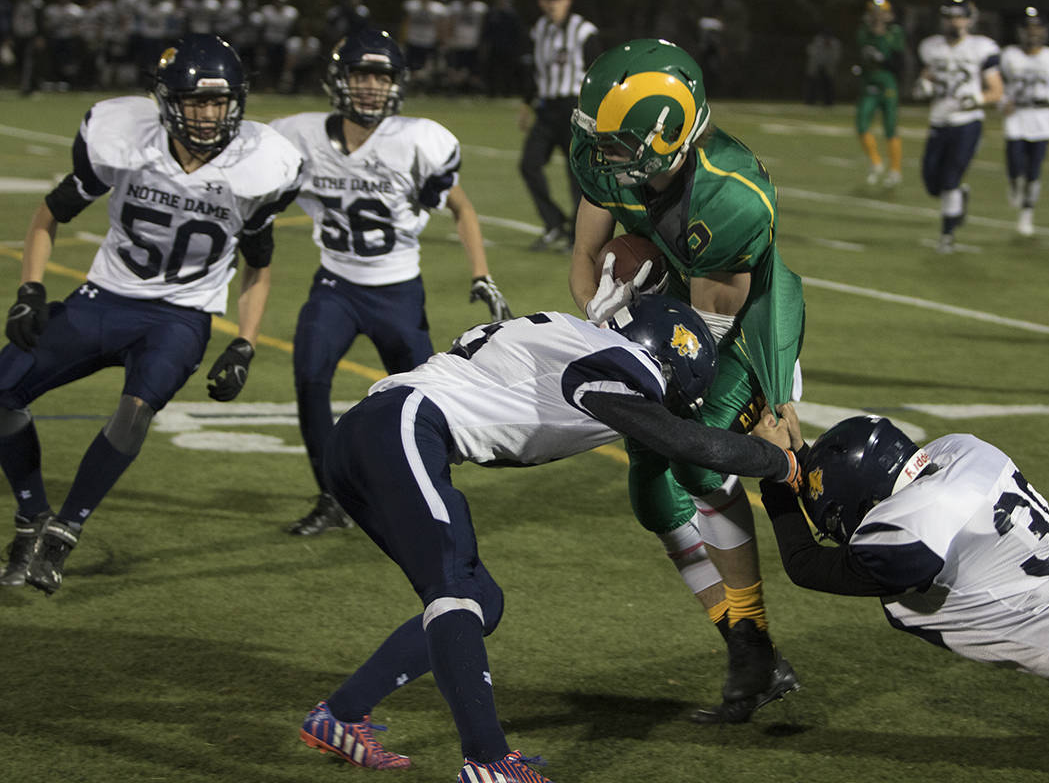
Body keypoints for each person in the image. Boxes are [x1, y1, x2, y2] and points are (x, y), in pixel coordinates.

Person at [297, 294, 804, 779]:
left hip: (372, 436)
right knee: (453, 587)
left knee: (479, 599)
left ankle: (340, 716)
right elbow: (682, 440)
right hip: (403, 426)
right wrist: (778, 462)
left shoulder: (582, 338)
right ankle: (489, 761)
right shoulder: (624, 363)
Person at [0, 34, 302, 593]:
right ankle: (31, 516)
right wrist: (31, 289)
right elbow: (48, 214)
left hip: (181, 315)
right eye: (195, 103)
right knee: (3, 391)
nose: (209, 116)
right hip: (105, 298)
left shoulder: (264, 165)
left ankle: (64, 532)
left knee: (134, 409)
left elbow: (259, 264)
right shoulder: (123, 138)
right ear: (166, 103)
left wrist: (245, 343)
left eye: (219, 103)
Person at [568, 38, 807, 723]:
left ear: (669, 136)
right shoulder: (608, 155)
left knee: (698, 460)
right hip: (659, 312)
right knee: (649, 493)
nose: (603, 156)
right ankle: (747, 646)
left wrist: (770, 396)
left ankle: (753, 642)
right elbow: (586, 253)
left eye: (619, 145)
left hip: (743, 328)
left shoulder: (730, 198)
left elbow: (708, 331)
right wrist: (600, 318)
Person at [756, 410, 1049, 759]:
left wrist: (775, 474)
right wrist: (802, 460)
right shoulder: (961, 451)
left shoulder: (903, 538)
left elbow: (804, 564)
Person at [270, 29, 512, 538]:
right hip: (335, 283)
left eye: (382, 76)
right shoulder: (299, 135)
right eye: (362, 74)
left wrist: (481, 273)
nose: (372, 86)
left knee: (423, 400)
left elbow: (461, 208)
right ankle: (332, 498)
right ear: (339, 80)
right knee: (310, 378)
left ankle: (427, 498)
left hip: (398, 291)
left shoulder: (416, 140)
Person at [914, 0, 1003, 254]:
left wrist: (978, 98)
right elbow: (927, 75)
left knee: (950, 178)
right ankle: (959, 195)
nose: (954, 22)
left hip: (967, 122)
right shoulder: (932, 47)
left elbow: (996, 90)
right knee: (932, 183)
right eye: (949, 17)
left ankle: (947, 235)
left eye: (959, 17)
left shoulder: (981, 47)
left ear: (969, 19)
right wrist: (924, 85)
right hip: (939, 120)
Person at [520, 0, 599, 253]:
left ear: (568, 1)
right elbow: (536, 74)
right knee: (528, 164)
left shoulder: (583, 31)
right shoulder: (538, 30)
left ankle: (579, 238)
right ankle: (554, 223)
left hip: (575, 109)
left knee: (575, 175)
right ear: (541, 2)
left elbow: (597, 73)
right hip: (546, 109)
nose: (553, 3)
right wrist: (526, 105)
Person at [999, 7, 1049, 237]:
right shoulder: (1009, 55)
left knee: (1034, 170)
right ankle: (1014, 183)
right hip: (1016, 117)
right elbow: (997, 85)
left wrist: (1048, 98)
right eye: (1029, 28)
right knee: (1014, 164)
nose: (1033, 33)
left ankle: (1027, 214)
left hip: (1041, 118)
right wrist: (1003, 103)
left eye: (1037, 28)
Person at [854, 0, 906, 187]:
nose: (876, 16)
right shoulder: (863, 33)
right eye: (873, 12)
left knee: (890, 127)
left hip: (887, 84)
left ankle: (895, 170)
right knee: (861, 124)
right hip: (869, 83)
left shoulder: (895, 33)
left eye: (880, 12)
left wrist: (881, 59)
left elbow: (898, 63)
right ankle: (876, 162)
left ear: (888, 14)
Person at [803, 28, 840, 107]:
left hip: (829, 67)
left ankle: (829, 102)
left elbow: (836, 57)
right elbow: (813, 54)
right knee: (812, 84)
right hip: (816, 66)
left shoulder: (835, 44)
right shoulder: (817, 42)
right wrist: (818, 66)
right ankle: (809, 101)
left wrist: (828, 66)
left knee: (828, 85)